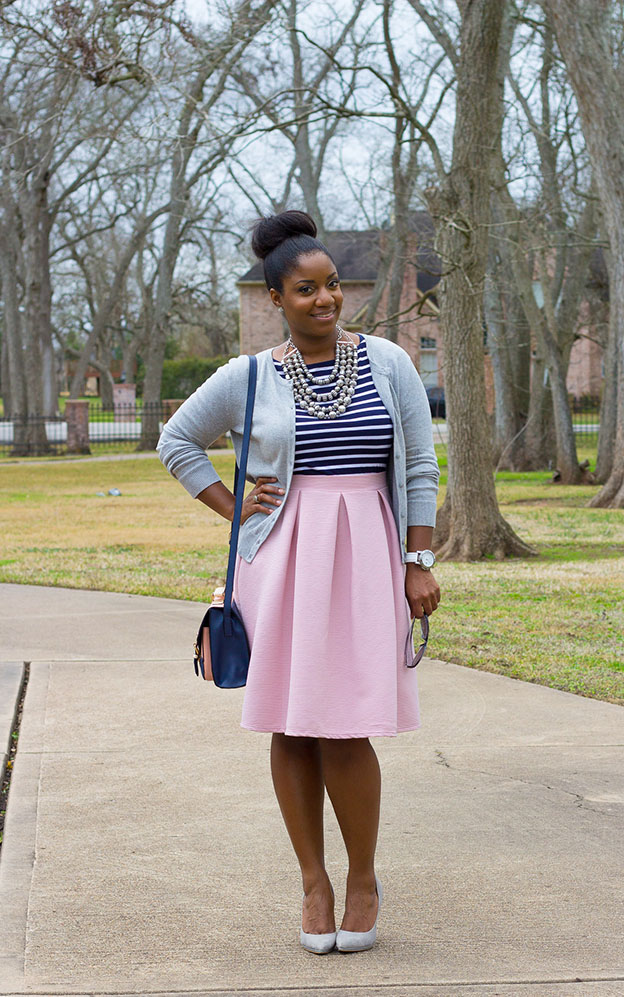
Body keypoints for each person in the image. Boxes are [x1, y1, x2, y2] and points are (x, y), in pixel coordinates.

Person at [157, 210, 440, 954]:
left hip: (366, 556)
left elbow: (416, 468)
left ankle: (364, 879)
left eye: (332, 285)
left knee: (347, 723)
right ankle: (312, 881)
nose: (324, 299)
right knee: (290, 721)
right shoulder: (249, 375)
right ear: (276, 299)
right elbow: (176, 439)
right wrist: (229, 507)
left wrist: (419, 562)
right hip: (279, 560)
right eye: (305, 289)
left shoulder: (388, 362)